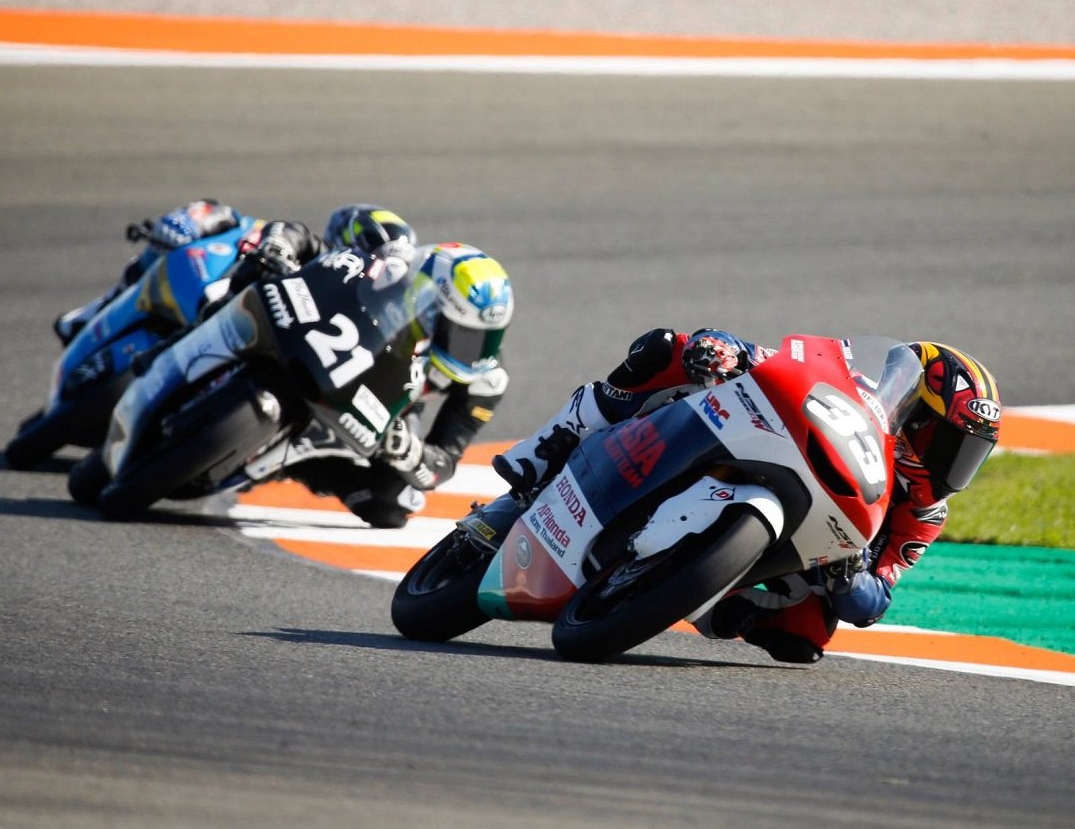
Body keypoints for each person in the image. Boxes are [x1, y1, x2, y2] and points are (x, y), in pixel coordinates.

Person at [493, 328, 1002, 664]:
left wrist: (850, 572)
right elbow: (785, 364)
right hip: (759, 445)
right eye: (948, 445)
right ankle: (556, 440)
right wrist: (727, 350)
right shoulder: (860, 388)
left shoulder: (923, 514)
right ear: (916, 415)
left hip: (807, 543)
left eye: (969, 455)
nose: (953, 467)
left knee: (805, 637)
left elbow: (875, 601)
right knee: (668, 347)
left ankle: (705, 594)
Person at [258, 238, 515, 529]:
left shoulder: (488, 379)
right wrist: (281, 242)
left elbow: (444, 461)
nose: (475, 355)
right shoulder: (394, 262)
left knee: (396, 502)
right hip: (330, 336)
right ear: (430, 307)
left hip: (395, 401)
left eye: (488, 338)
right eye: (462, 336)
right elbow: (317, 240)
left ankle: (292, 464)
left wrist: (409, 452)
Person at [52, 200, 414, 345]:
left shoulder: (359, 312)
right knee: (169, 242)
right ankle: (97, 311)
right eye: (371, 250)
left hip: (251, 344)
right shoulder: (306, 246)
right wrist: (189, 221)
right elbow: (231, 217)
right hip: (215, 295)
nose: (375, 264)